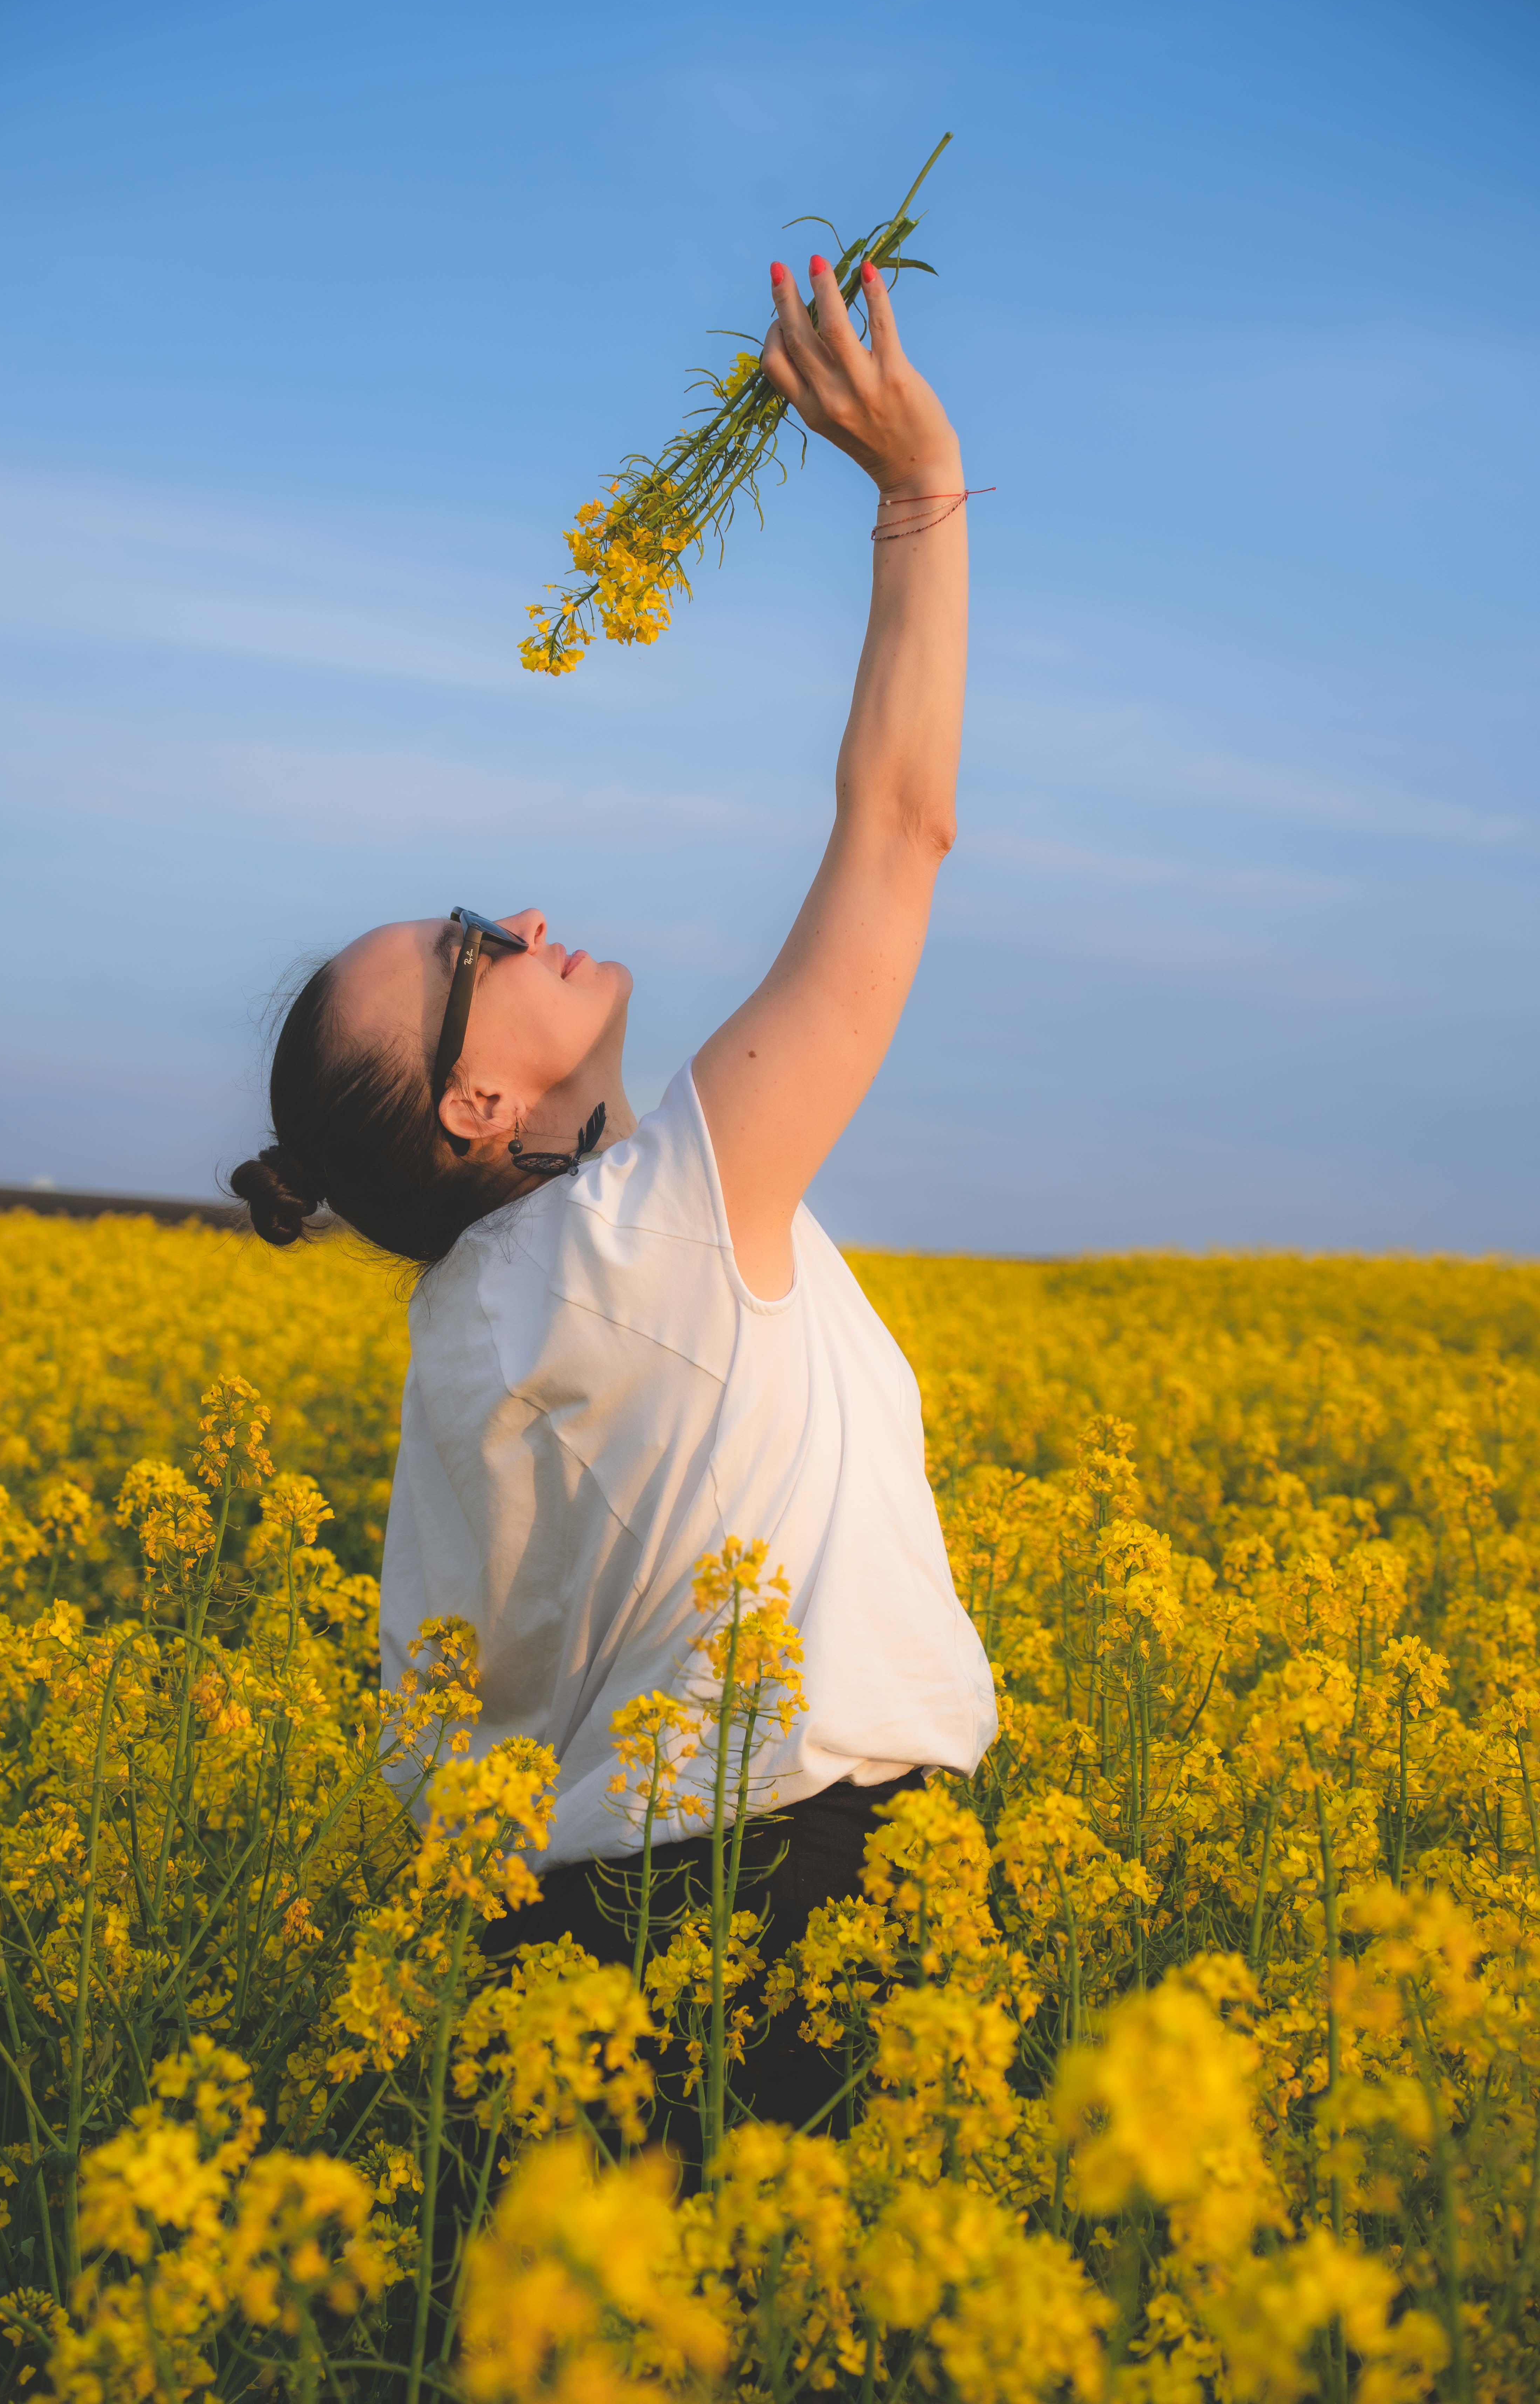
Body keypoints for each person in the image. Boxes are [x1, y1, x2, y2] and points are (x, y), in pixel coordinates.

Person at [230, 251, 997, 2129]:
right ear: (480, 1097)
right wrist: (917, 495)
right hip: (810, 1887)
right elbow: (899, 836)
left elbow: (445, 1752)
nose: (535, 919)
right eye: (484, 940)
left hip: (564, 1960)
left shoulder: (465, 1344)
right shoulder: (647, 1227)